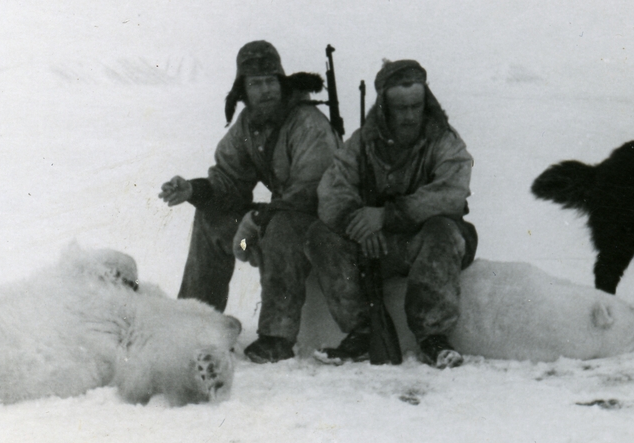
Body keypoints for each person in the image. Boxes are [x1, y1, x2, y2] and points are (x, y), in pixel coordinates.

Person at [159, 41, 340, 364]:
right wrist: (193, 190)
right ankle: (195, 324)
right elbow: (229, 182)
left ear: (282, 82)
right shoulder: (249, 125)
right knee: (211, 217)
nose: (266, 90)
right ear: (242, 90)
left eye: (271, 81)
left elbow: (312, 192)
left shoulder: (308, 124)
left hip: (317, 227)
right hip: (264, 226)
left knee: (281, 226)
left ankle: (276, 337)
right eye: (256, 84)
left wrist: (257, 220)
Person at [305, 58, 477, 369]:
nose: (410, 116)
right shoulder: (361, 143)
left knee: (444, 229)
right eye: (401, 108)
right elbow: (331, 191)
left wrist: (386, 215)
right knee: (320, 234)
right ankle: (361, 332)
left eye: (416, 105)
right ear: (385, 108)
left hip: (424, 244)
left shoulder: (445, 141)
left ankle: (432, 337)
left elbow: (451, 194)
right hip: (375, 245)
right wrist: (360, 225)